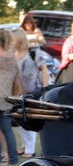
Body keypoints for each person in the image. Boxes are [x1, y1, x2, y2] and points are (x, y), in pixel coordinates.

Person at [13, 29, 45, 158]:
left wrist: (45, 87)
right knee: (19, 119)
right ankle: (25, 146)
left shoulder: (33, 52)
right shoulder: (13, 53)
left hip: (32, 91)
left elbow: (44, 69)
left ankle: (30, 150)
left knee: (29, 117)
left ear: (19, 39)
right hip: (17, 91)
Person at [0, 29, 24, 165]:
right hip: (8, 95)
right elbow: (17, 75)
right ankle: (13, 158)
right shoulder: (11, 56)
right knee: (7, 129)